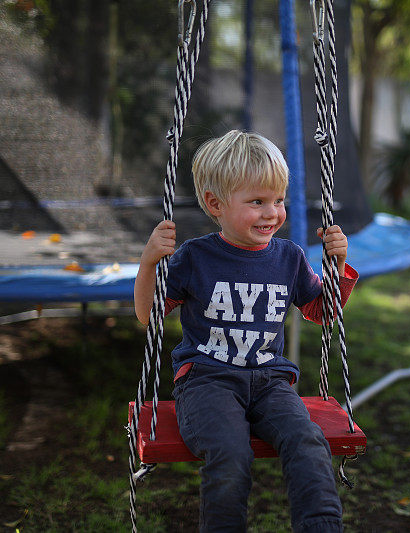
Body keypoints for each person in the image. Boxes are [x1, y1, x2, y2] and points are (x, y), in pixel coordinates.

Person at [134, 130, 358, 532]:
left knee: (308, 442)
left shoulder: (288, 257)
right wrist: (149, 263)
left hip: (271, 382)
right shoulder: (195, 257)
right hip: (206, 382)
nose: (272, 212)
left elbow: (322, 312)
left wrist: (336, 266)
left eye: (278, 200)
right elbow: (148, 316)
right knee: (230, 453)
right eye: (257, 201)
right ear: (215, 204)